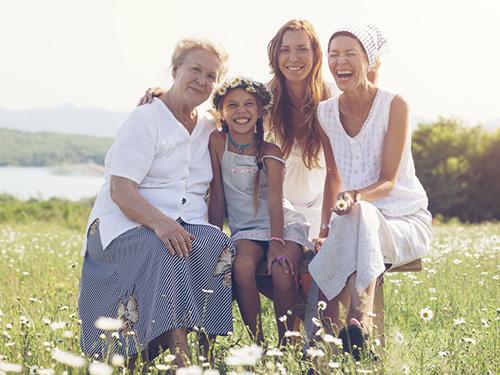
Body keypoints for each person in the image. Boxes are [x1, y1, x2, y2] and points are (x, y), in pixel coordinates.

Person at [78, 38, 235, 368]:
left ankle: (206, 352)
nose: (202, 81)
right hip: (124, 222)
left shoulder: (209, 126)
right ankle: (182, 360)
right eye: (195, 70)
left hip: (184, 220)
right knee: (166, 247)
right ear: (175, 70)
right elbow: (121, 190)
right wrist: (162, 223)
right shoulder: (146, 119)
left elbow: (250, 109)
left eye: (211, 75)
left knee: (217, 243)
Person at [308, 24, 432, 359]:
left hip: (402, 220)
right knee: (351, 224)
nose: (340, 62)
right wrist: (324, 227)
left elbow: (389, 180)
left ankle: (326, 342)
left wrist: (355, 199)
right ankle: (354, 331)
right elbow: (333, 175)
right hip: (353, 219)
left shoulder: (395, 104)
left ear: (369, 60)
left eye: (350, 54)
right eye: (333, 55)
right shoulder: (324, 113)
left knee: (358, 217)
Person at [208, 77, 311, 345]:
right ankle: (258, 343)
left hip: (282, 226)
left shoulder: (270, 151)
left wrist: (277, 242)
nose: (240, 111)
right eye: (232, 105)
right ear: (221, 111)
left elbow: (276, 201)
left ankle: (287, 342)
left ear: (260, 111)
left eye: (248, 104)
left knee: (281, 268)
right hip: (247, 229)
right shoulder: (218, 143)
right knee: (241, 266)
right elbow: (217, 196)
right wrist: (213, 239)